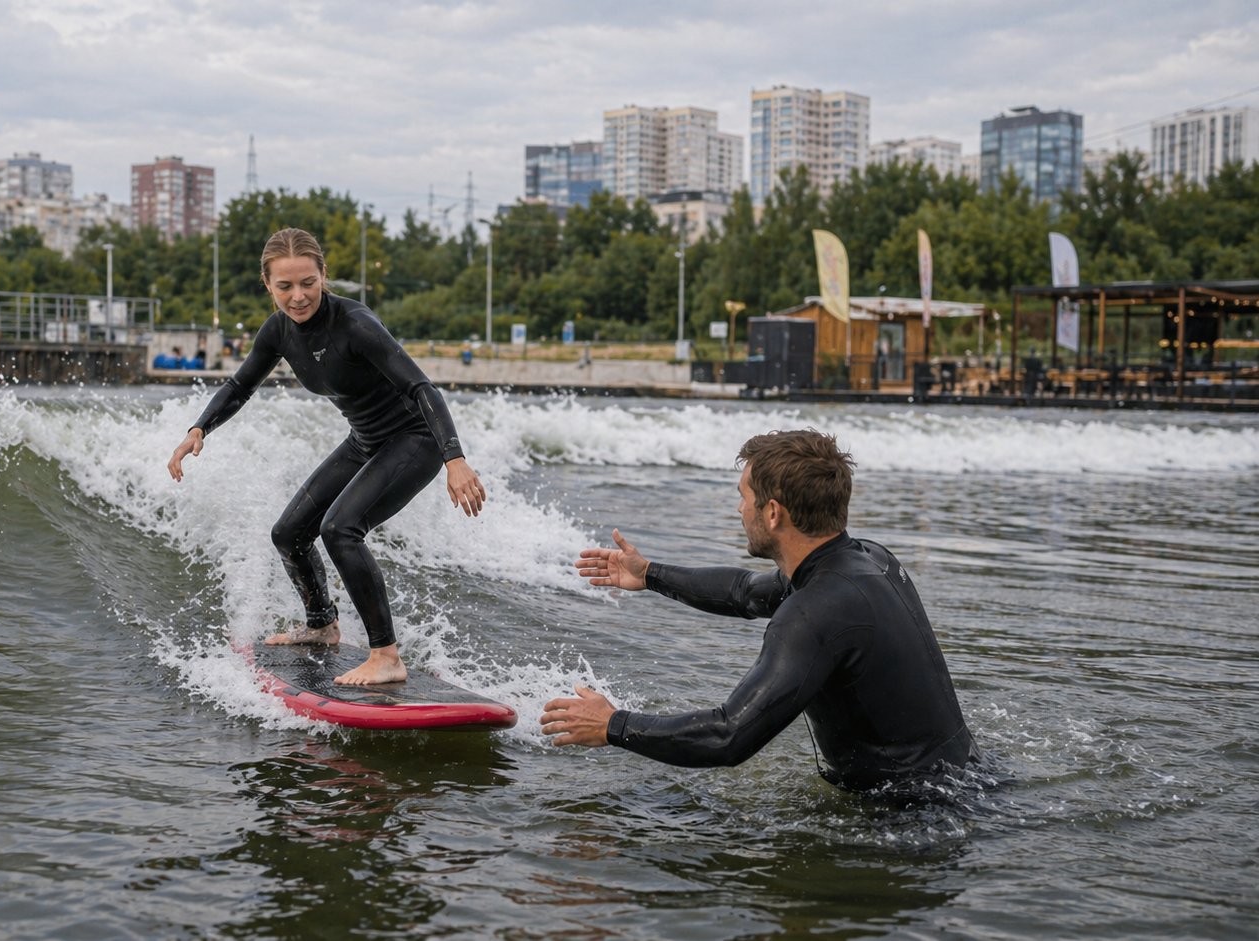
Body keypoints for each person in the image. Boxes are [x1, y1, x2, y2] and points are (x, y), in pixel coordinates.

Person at [541, 429, 977, 791]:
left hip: (914, 819)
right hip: (964, 779)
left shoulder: (814, 613)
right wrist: (649, 573)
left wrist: (612, 725)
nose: (738, 508)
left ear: (772, 513)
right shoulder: (869, 559)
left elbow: (728, 735)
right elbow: (746, 592)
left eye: (743, 497)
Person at [167, 227, 487, 685]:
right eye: (285, 286)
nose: (298, 296)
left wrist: (455, 459)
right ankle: (321, 626)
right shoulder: (278, 331)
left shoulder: (355, 324)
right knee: (289, 533)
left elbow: (421, 388)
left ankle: (386, 657)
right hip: (366, 440)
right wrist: (199, 428)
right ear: (268, 285)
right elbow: (240, 386)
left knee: (340, 530)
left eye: (308, 283)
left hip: (415, 439)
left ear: (323, 277)